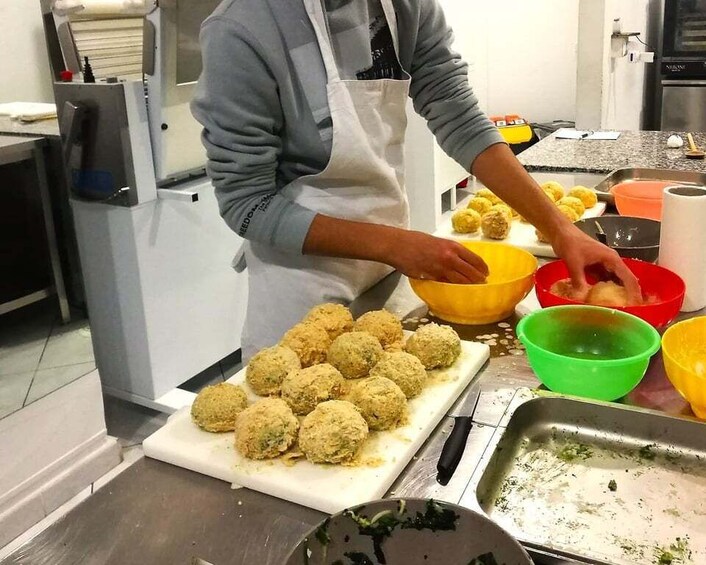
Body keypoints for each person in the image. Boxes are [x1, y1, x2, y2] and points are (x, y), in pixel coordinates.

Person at [191, 0, 639, 360]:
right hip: (301, 288)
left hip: (387, 273)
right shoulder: (243, 30)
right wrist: (395, 244)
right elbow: (247, 204)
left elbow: (458, 117)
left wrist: (561, 229)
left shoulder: (406, 7)